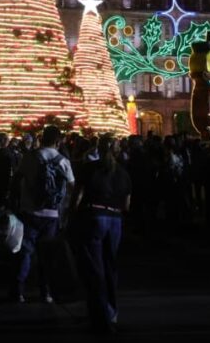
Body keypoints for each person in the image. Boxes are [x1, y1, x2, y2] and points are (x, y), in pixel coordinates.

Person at [71, 135, 131, 333]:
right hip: (114, 220)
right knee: (110, 266)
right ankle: (112, 312)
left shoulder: (89, 168)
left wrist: (72, 214)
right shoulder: (122, 172)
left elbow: (77, 195)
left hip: (93, 216)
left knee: (94, 270)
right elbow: (126, 204)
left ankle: (100, 317)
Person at [10, 125, 74, 303]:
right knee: (47, 255)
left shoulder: (30, 157)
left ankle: (18, 290)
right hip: (52, 214)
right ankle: (46, 292)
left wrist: (15, 201)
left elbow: (16, 179)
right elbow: (72, 186)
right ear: (58, 141)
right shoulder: (62, 160)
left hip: (29, 210)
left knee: (26, 251)